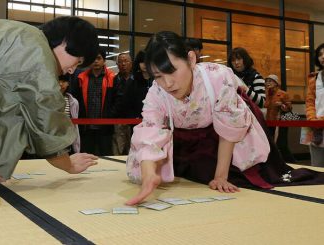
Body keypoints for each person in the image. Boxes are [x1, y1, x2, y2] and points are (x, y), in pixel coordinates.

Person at [125, 31, 324, 205]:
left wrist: (220, 176)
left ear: (191, 59)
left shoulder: (217, 76)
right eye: (158, 76)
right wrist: (149, 175)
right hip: (188, 138)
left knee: (246, 175)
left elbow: (229, 128)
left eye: (172, 71)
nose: (167, 83)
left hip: (228, 132)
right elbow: (150, 131)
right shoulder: (156, 93)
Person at [0, 17, 99, 182]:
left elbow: (10, 109)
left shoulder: (19, 33)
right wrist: (69, 165)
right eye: (78, 61)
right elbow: (45, 118)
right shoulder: (37, 52)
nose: (72, 70)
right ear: (66, 41)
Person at [72, 50, 116, 156]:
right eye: (93, 59)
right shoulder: (81, 78)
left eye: (99, 58)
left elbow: (116, 100)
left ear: (104, 60)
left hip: (105, 127)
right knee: (86, 157)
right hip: (86, 127)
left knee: (106, 157)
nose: (95, 61)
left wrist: (110, 115)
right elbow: (75, 99)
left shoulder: (112, 78)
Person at [301, 43, 324, 167]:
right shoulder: (313, 78)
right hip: (314, 125)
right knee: (316, 165)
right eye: (320, 54)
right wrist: (312, 119)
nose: (323, 57)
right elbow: (309, 101)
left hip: (321, 122)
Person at [264, 74, 296, 163]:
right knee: (270, 143)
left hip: (281, 122)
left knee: (282, 144)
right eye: (266, 81)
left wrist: (282, 105)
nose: (267, 83)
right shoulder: (267, 94)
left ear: (276, 83)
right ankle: (276, 164)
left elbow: (290, 107)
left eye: (270, 81)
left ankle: (293, 163)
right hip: (269, 122)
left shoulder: (283, 94)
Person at [112, 53, 133, 155]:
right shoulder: (114, 81)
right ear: (117, 64)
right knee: (117, 150)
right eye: (120, 62)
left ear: (131, 63)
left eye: (126, 61)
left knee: (132, 150)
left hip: (134, 121)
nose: (123, 64)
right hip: (118, 121)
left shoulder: (137, 80)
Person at [123, 50, 153, 119]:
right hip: (136, 120)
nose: (145, 64)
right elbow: (127, 103)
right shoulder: (133, 82)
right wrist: (132, 117)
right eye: (142, 62)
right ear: (138, 63)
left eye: (147, 61)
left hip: (155, 120)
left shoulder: (157, 81)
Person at [58, 74, 81, 154]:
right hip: (52, 138)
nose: (60, 84)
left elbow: (75, 125)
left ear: (68, 83)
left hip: (67, 138)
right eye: (58, 81)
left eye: (63, 81)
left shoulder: (73, 102)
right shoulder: (47, 100)